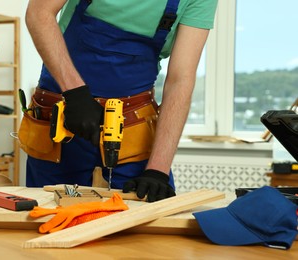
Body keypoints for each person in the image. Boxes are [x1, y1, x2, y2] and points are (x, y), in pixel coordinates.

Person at [24, 0, 218, 202]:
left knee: (144, 222)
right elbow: (39, 13)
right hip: (63, 121)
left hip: (131, 129)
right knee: (50, 216)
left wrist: (158, 170)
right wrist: (74, 93)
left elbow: (180, 79)